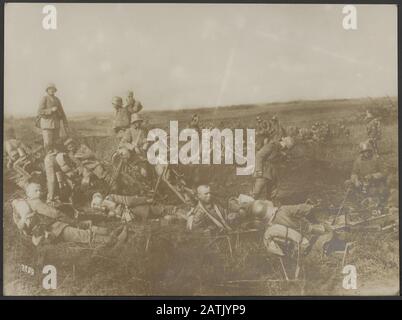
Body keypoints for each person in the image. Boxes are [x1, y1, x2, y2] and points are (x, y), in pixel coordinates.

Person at [11, 183, 127, 247]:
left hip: (55, 227)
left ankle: (111, 233)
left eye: (40, 190)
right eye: (36, 190)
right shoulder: (35, 203)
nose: (39, 192)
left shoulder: (30, 203)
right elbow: (55, 214)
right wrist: (71, 221)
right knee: (82, 234)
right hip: (55, 230)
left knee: (86, 226)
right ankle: (113, 241)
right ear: (28, 193)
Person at [251, 136, 294, 201]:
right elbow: (259, 156)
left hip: (273, 174)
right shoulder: (272, 146)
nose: (286, 150)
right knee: (256, 192)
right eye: (287, 148)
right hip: (263, 172)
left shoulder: (280, 150)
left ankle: (267, 209)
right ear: (285, 145)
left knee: (271, 195)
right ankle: (247, 207)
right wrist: (259, 171)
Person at [37, 83, 69, 152]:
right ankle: (48, 160)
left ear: (55, 90)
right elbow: (40, 111)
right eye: (50, 89)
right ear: (47, 90)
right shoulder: (44, 98)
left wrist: (65, 123)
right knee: (48, 144)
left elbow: (62, 112)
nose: (51, 90)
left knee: (56, 143)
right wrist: (50, 110)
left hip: (56, 125)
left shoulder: (57, 100)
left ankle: (55, 159)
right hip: (47, 125)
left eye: (53, 89)